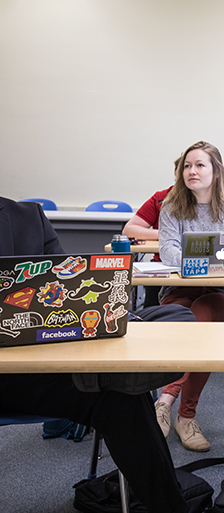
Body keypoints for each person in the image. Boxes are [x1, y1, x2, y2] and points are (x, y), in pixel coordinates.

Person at [0, 196, 189, 513]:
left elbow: (60, 296)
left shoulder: (28, 216)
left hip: (38, 367)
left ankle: (171, 509)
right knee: (123, 384)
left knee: (121, 393)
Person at [155, 141, 224, 452]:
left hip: (222, 291)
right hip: (179, 291)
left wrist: (199, 260)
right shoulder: (172, 207)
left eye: (199, 165)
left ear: (216, 171)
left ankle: (168, 401)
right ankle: (185, 417)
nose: (192, 171)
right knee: (190, 319)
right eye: (187, 165)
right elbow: (167, 251)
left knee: (205, 317)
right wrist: (210, 260)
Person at [123, 183, 173, 308]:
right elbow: (129, 230)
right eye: (186, 166)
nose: (191, 172)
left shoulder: (213, 200)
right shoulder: (162, 198)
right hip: (163, 265)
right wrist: (166, 234)